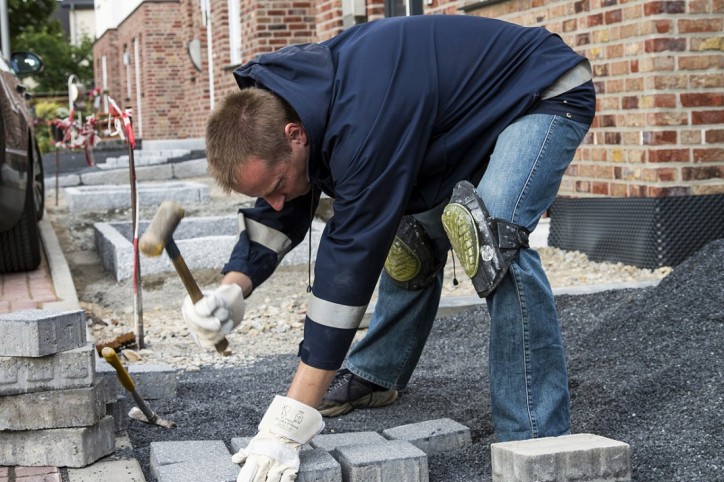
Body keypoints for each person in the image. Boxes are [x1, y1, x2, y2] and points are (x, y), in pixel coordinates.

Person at [182, 14, 595, 482]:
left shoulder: (361, 122)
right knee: (409, 242)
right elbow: (282, 208)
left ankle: (535, 435)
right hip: (459, 122)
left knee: (492, 240)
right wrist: (233, 286)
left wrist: (288, 424)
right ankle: (377, 373)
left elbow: (348, 269)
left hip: (540, 91)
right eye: (264, 193)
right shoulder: (293, 107)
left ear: (295, 136)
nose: (275, 201)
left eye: (275, 185)